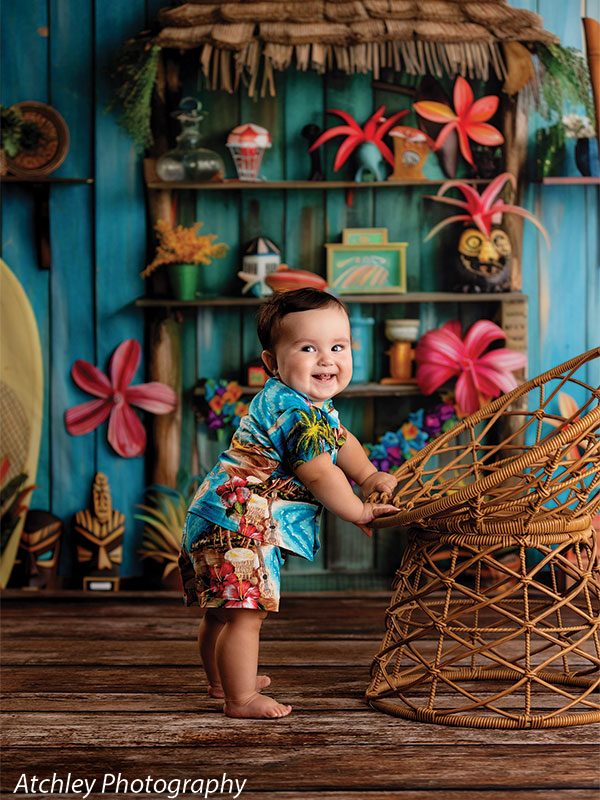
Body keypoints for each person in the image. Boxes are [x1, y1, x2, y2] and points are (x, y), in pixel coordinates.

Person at [179, 288, 397, 719]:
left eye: (338, 346)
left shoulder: (308, 404)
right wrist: (358, 510)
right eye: (307, 348)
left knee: (221, 612)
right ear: (271, 363)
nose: (326, 359)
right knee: (245, 614)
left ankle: (221, 680)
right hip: (239, 523)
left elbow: (342, 440)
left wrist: (368, 473)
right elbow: (318, 472)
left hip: (213, 514)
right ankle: (239, 698)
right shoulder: (294, 412)